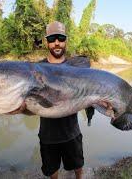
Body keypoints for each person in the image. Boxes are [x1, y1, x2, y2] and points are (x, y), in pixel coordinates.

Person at [38, 21, 91, 179]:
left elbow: (90, 92)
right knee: (51, 169)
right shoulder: (37, 69)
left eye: (60, 38)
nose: (56, 43)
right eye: (52, 38)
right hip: (47, 135)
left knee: (78, 166)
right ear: (47, 41)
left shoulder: (77, 68)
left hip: (72, 132)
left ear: (65, 40)